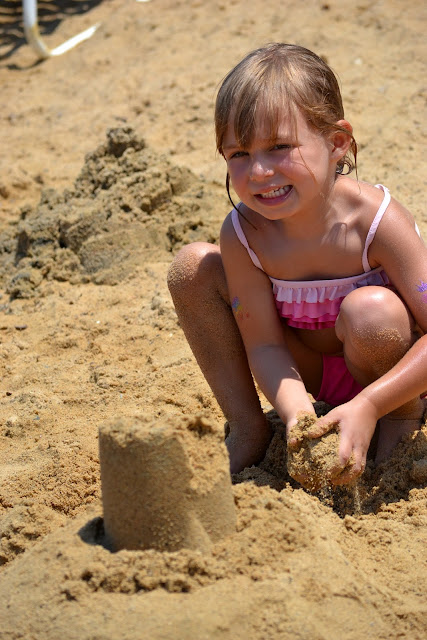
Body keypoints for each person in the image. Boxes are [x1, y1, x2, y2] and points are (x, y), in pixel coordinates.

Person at [167, 43, 427, 484]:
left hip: (394, 375)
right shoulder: (245, 232)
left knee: (371, 312)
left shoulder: (376, 222)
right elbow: (265, 346)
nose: (259, 172)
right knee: (192, 266)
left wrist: (371, 404)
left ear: (337, 143)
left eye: (279, 147)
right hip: (311, 372)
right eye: (239, 154)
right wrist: (299, 416)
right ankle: (249, 429)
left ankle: (399, 420)